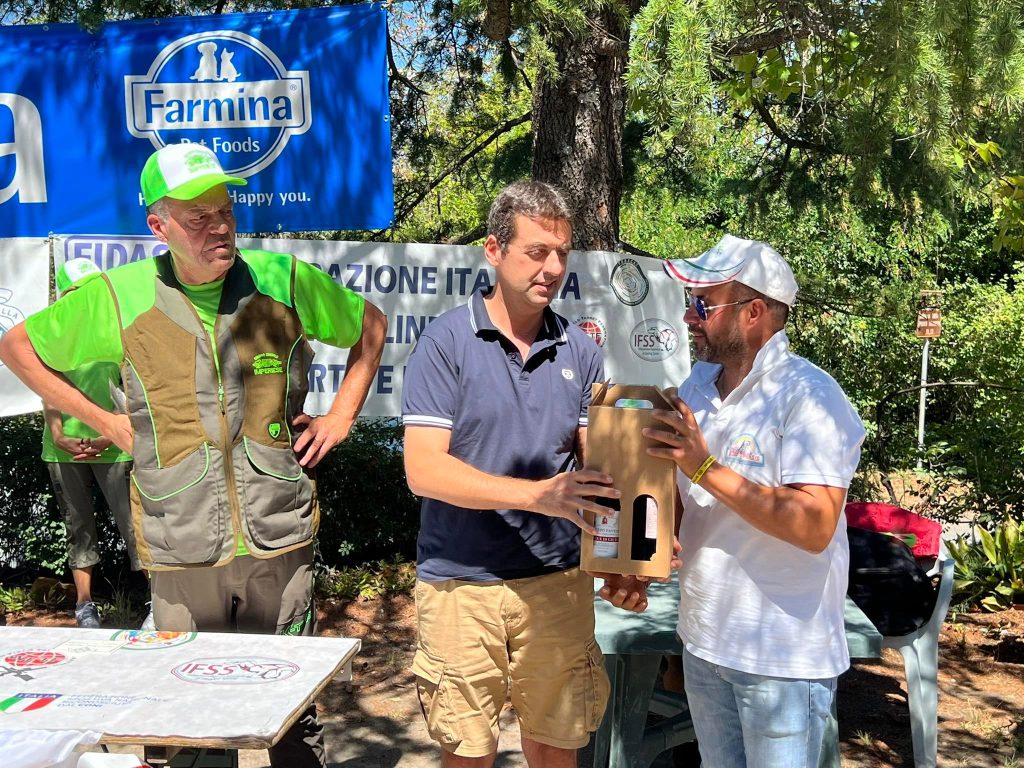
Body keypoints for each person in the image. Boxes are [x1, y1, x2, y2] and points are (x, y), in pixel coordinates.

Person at [0, 142, 387, 768]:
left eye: (224, 209)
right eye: (198, 216)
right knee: (185, 717)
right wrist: (105, 420)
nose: (219, 225)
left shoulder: (281, 280)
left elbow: (370, 327)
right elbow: (17, 347)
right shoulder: (119, 295)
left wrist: (341, 415)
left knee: (295, 713)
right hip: (180, 539)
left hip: (278, 536)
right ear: (160, 226)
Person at [401, 180, 646, 768]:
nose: (553, 268)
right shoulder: (445, 342)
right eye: (537, 251)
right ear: (494, 250)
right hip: (460, 587)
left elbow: (602, 472)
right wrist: (539, 495)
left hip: (559, 585)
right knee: (468, 755)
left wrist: (632, 557)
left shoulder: (580, 350)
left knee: (557, 751)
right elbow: (423, 470)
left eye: (561, 253)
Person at [647, 234, 866, 768]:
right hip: (704, 641)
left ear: (754, 312)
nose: (690, 317)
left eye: (703, 305)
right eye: (689, 303)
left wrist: (703, 465)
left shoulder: (811, 396)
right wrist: (644, 553)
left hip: (782, 659)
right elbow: (683, 500)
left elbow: (813, 525)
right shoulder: (696, 386)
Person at [41, 258, 140, 629]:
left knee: (135, 525)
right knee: (78, 527)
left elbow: (130, 391)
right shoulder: (51, 336)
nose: (86, 296)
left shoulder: (118, 331)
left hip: (115, 446)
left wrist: (109, 432)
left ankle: (159, 602)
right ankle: (85, 606)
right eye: (78, 290)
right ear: (63, 294)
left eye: (93, 288)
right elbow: (48, 391)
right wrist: (59, 435)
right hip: (62, 450)